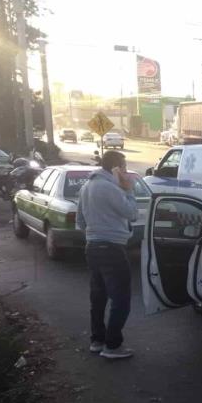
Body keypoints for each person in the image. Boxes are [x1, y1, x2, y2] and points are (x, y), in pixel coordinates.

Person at [76, 151, 138, 359]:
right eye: (124, 167)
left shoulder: (87, 187)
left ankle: (97, 340)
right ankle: (113, 345)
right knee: (121, 298)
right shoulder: (111, 188)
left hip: (92, 247)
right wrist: (128, 190)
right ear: (116, 168)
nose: (126, 171)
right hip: (112, 248)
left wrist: (95, 230)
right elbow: (132, 213)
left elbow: (80, 222)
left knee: (99, 296)